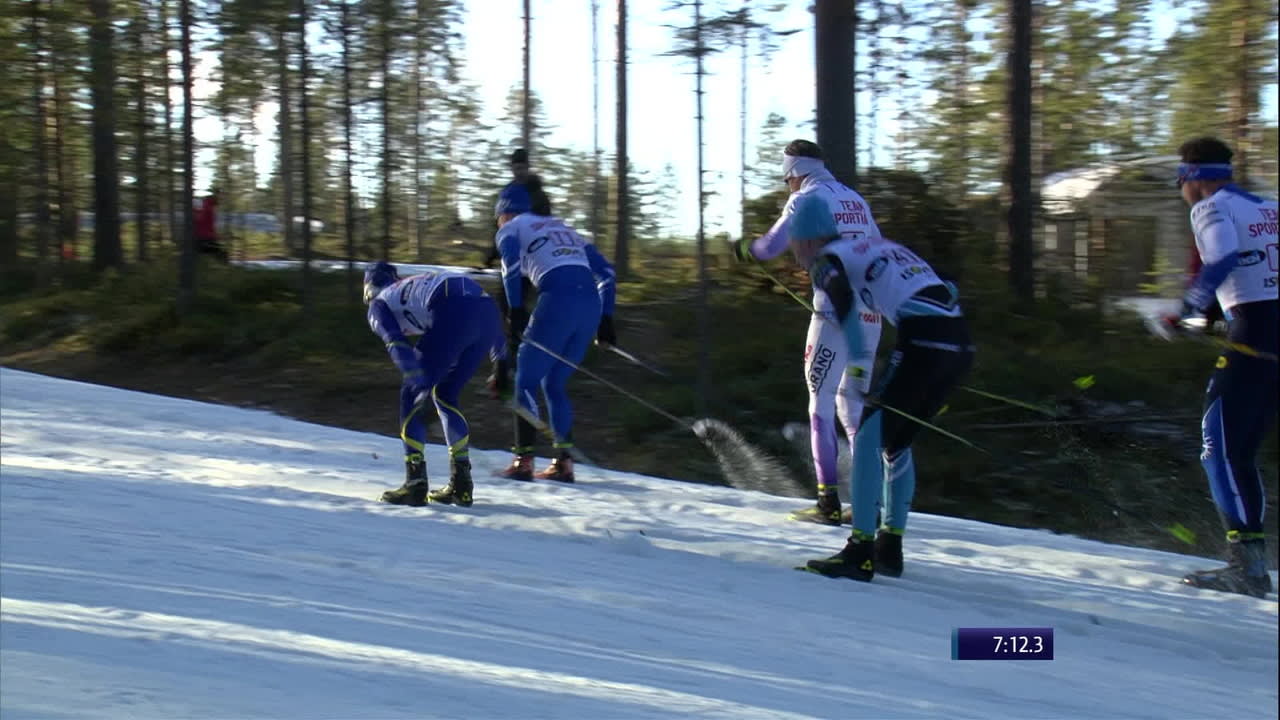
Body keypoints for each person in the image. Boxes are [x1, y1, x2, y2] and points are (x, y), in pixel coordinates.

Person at [786, 192, 975, 581]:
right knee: (896, 444)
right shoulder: (877, 244)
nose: (795, 255)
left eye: (794, 244)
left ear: (807, 239)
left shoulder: (828, 259)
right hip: (959, 343)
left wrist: (858, 367)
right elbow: (948, 285)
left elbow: (842, 303)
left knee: (870, 436)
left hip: (924, 340)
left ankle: (860, 552)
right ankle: (891, 547)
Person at [733, 140, 884, 525]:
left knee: (820, 403)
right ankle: (871, 500)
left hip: (834, 313)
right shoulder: (855, 199)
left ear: (794, 171)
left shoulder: (805, 198)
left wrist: (745, 250)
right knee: (854, 407)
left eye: (786, 179)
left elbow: (770, 247)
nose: (787, 186)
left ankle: (827, 502)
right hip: (872, 310)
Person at [1156, 137, 1277, 598]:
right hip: (1268, 332)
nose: (1180, 190)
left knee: (1220, 450)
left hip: (1256, 334)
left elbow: (1223, 258)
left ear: (1191, 177)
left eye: (1179, 181)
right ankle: (1251, 564)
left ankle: (1247, 568)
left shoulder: (1209, 209)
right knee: (1241, 451)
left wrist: (1188, 309)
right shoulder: (1269, 206)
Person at [490, 182, 616, 483]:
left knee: (524, 381)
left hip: (557, 299)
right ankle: (563, 463)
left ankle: (523, 460)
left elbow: (510, 266)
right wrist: (606, 319)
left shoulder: (510, 228)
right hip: (589, 306)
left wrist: (516, 310)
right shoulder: (565, 228)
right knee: (555, 383)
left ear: (504, 213)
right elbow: (608, 274)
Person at [364, 261, 504, 507]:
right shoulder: (408, 287)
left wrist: (418, 382)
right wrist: (501, 363)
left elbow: (395, 342)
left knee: (411, 394)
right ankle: (462, 485)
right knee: (446, 394)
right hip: (487, 311)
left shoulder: (379, 304)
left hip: (453, 308)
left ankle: (415, 483)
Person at [194, 188, 228, 262]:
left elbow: (209, 224)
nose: (221, 199)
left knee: (219, 254)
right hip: (203, 239)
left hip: (206, 238)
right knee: (220, 255)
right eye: (220, 196)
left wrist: (217, 236)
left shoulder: (209, 206)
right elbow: (200, 220)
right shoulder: (208, 207)